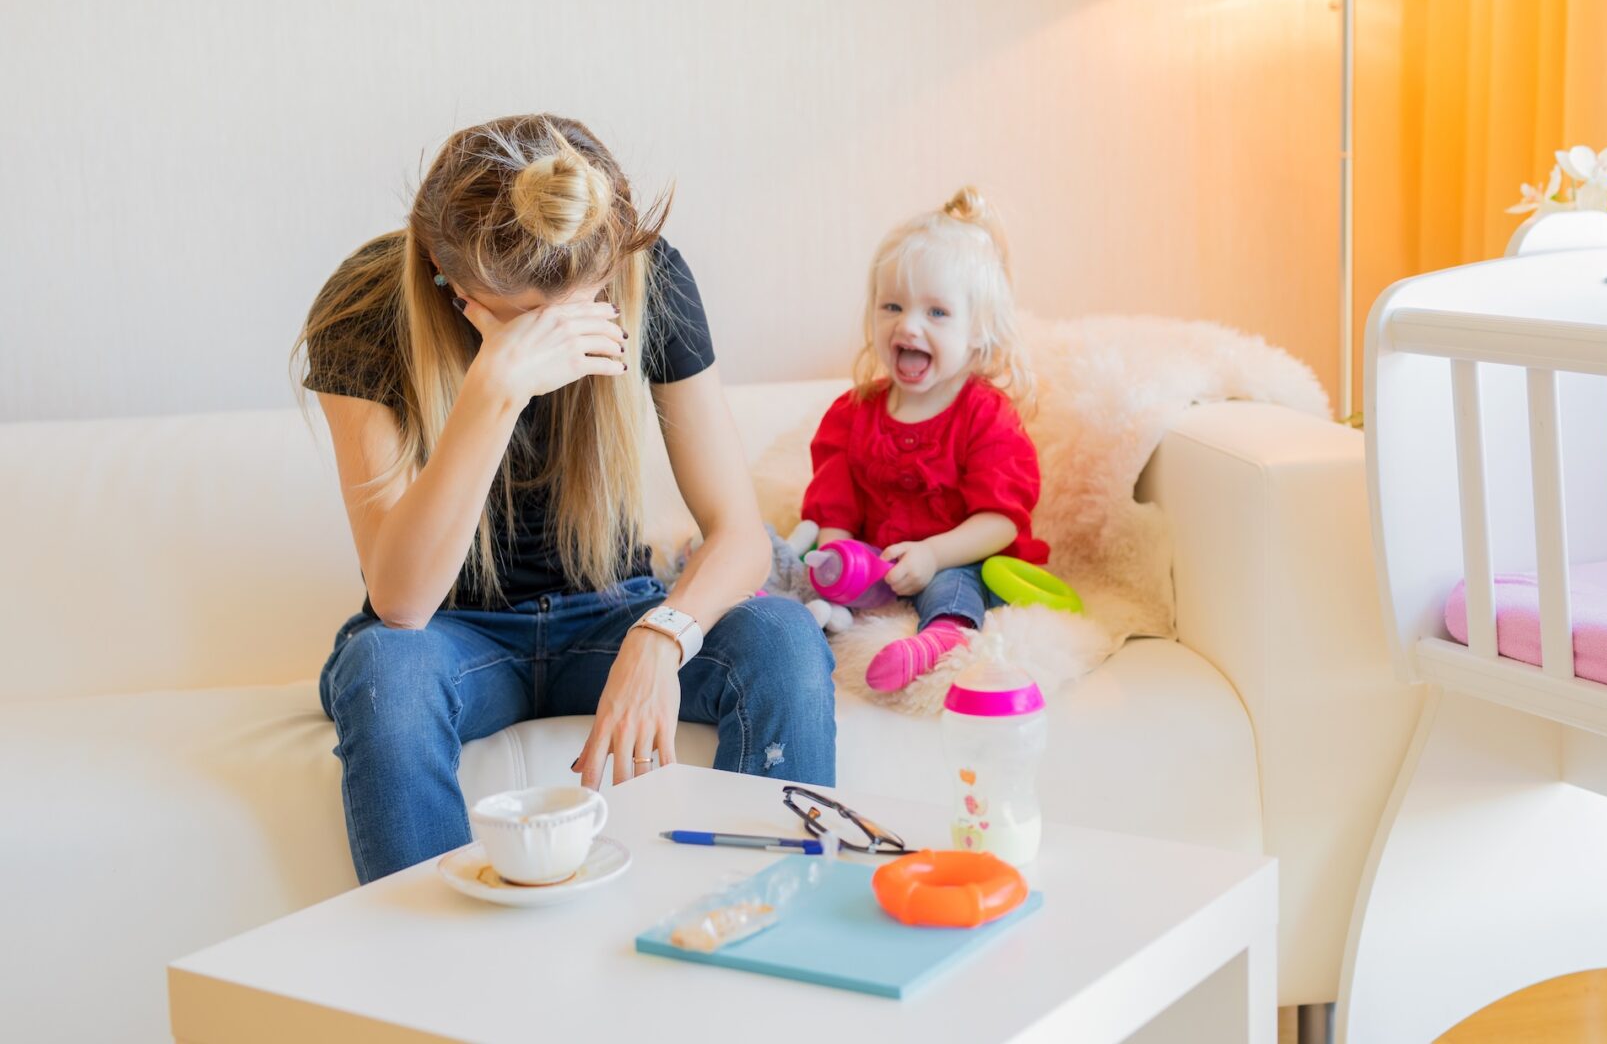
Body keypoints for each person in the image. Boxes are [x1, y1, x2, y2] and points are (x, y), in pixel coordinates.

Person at [296, 113, 835, 883]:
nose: (557, 337)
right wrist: (496, 386)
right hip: (451, 634)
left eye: (581, 310)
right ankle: (429, 986)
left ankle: (757, 926)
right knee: (384, 671)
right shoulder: (365, 309)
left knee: (782, 639)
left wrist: (662, 636)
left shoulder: (650, 277)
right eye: (523, 321)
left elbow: (738, 535)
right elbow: (402, 602)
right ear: (448, 284)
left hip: (610, 610)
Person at [801, 187, 1047, 693]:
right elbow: (836, 510)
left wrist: (934, 553)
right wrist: (837, 561)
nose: (908, 324)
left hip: (957, 557)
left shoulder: (985, 415)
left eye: (936, 313)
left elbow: (1001, 520)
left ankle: (943, 637)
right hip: (882, 561)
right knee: (810, 570)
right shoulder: (853, 414)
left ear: (978, 331)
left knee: (954, 585)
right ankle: (812, 621)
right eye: (892, 306)